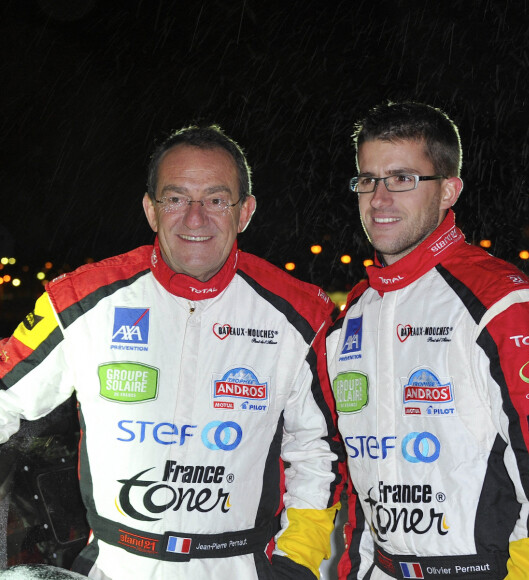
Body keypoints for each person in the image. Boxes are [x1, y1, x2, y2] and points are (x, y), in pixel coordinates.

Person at [0, 124, 344, 579]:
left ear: (245, 211)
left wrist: (297, 561)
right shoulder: (81, 300)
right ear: (151, 209)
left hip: (239, 566)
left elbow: (318, 453)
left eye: (216, 200)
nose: (195, 218)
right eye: (177, 198)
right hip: (118, 565)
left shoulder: (301, 313)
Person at [326, 101, 529, 579]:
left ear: (448, 190)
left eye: (402, 179)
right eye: (368, 179)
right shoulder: (353, 316)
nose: (379, 198)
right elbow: (358, 481)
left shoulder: (508, 305)